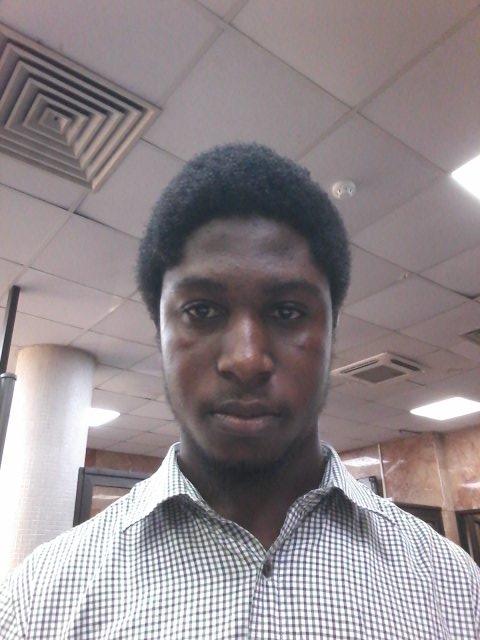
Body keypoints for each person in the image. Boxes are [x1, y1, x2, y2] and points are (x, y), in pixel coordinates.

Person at [0, 143, 478, 639]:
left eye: (288, 312)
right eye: (202, 311)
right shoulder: (39, 603)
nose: (246, 359)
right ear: (159, 330)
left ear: (332, 330)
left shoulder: (453, 589)